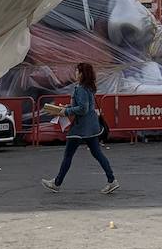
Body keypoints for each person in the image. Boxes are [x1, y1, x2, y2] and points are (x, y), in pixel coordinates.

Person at [41, 62, 119, 193]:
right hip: (92, 127)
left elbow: (83, 109)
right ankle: (112, 180)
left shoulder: (81, 89)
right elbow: (84, 107)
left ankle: (57, 183)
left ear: (82, 74)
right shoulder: (88, 87)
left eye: (77, 71)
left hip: (80, 128)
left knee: (68, 155)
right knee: (97, 154)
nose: (75, 73)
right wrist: (67, 108)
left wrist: (65, 111)